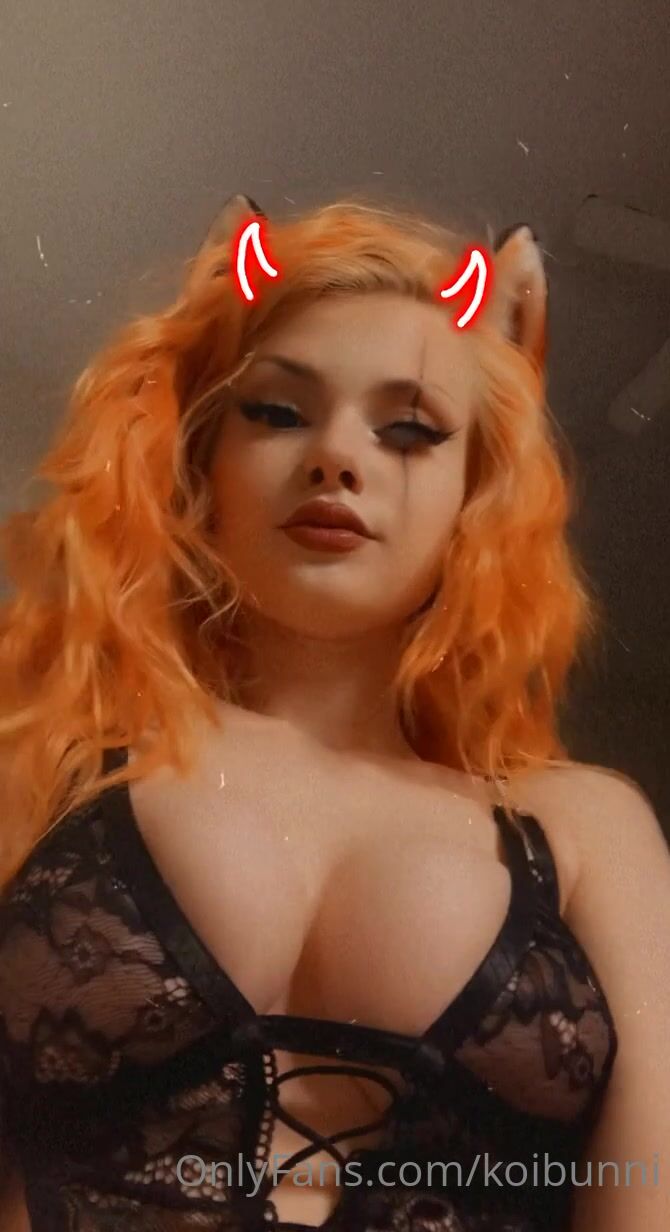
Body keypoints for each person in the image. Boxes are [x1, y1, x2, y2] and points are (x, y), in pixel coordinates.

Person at [0, 193, 668, 1232]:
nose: (336, 458)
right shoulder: (45, 752)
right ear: (197, 460)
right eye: (276, 411)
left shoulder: (587, 830)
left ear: (477, 494)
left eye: (409, 428)